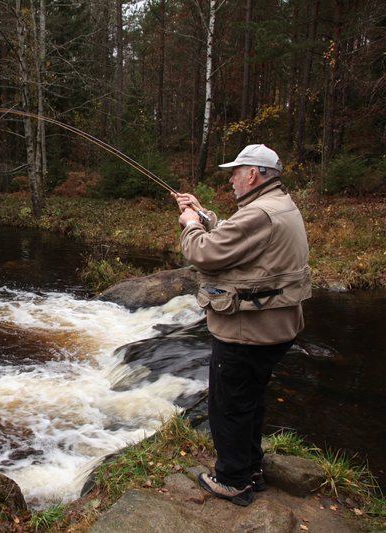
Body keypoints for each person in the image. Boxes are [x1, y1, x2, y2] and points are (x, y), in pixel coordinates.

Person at [174, 144, 311, 506]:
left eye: (235, 172)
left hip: (248, 331)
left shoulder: (260, 214)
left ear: (253, 174)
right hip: (274, 328)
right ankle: (251, 469)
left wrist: (190, 226)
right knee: (249, 400)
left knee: (229, 405)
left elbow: (203, 252)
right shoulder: (278, 204)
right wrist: (203, 214)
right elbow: (240, 239)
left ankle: (233, 480)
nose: (232, 178)